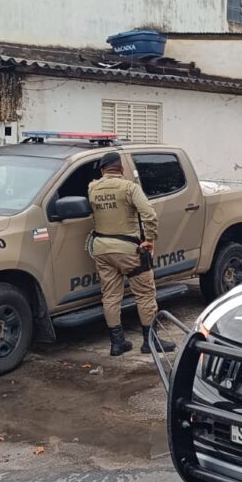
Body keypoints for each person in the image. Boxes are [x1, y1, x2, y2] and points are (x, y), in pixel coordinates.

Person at [87, 152, 175, 356]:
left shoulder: (92, 188)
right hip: (129, 250)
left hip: (101, 248)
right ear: (122, 170)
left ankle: (117, 343)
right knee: (145, 294)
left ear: (102, 171)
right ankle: (149, 341)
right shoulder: (129, 188)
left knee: (110, 296)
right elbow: (149, 214)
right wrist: (150, 239)